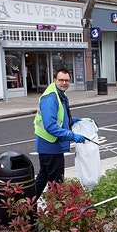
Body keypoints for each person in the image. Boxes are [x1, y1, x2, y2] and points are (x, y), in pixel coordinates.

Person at [33, 69, 85, 200]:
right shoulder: (51, 98)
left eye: (66, 80)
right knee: (56, 183)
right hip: (50, 146)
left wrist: (72, 120)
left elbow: (58, 119)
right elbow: (50, 126)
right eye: (61, 80)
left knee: (43, 178)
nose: (64, 83)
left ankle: (27, 206)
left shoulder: (59, 94)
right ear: (55, 80)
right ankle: (54, 212)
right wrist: (72, 136)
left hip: (48, 146)